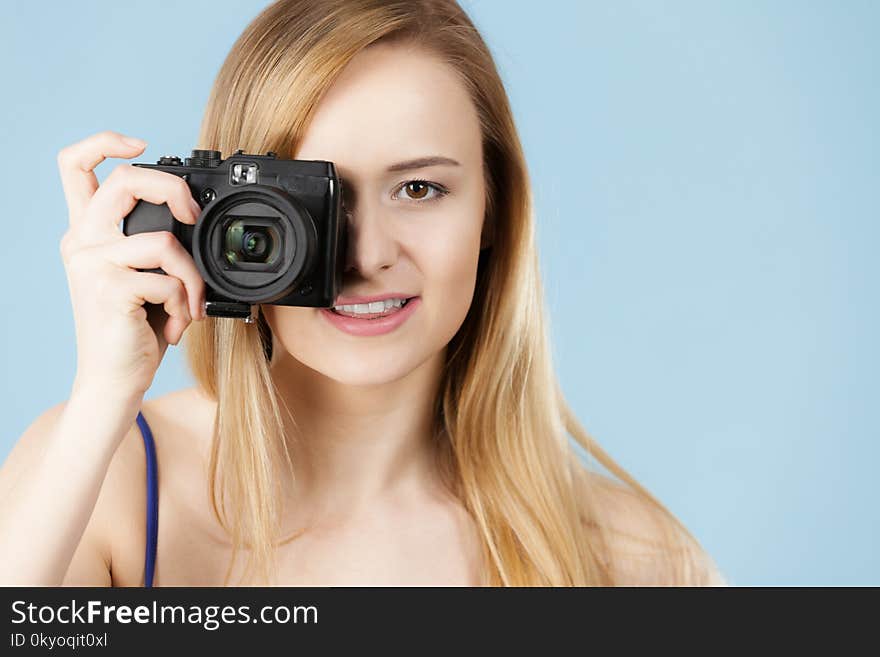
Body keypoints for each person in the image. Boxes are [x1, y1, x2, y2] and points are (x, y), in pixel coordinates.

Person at [0, 0, 726, 587]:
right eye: (315, 199)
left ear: (492, 213)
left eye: (419, 188)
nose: (368, 254)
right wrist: (101, 394)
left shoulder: (632, 560)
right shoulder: (104, 479)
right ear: (223, 217)